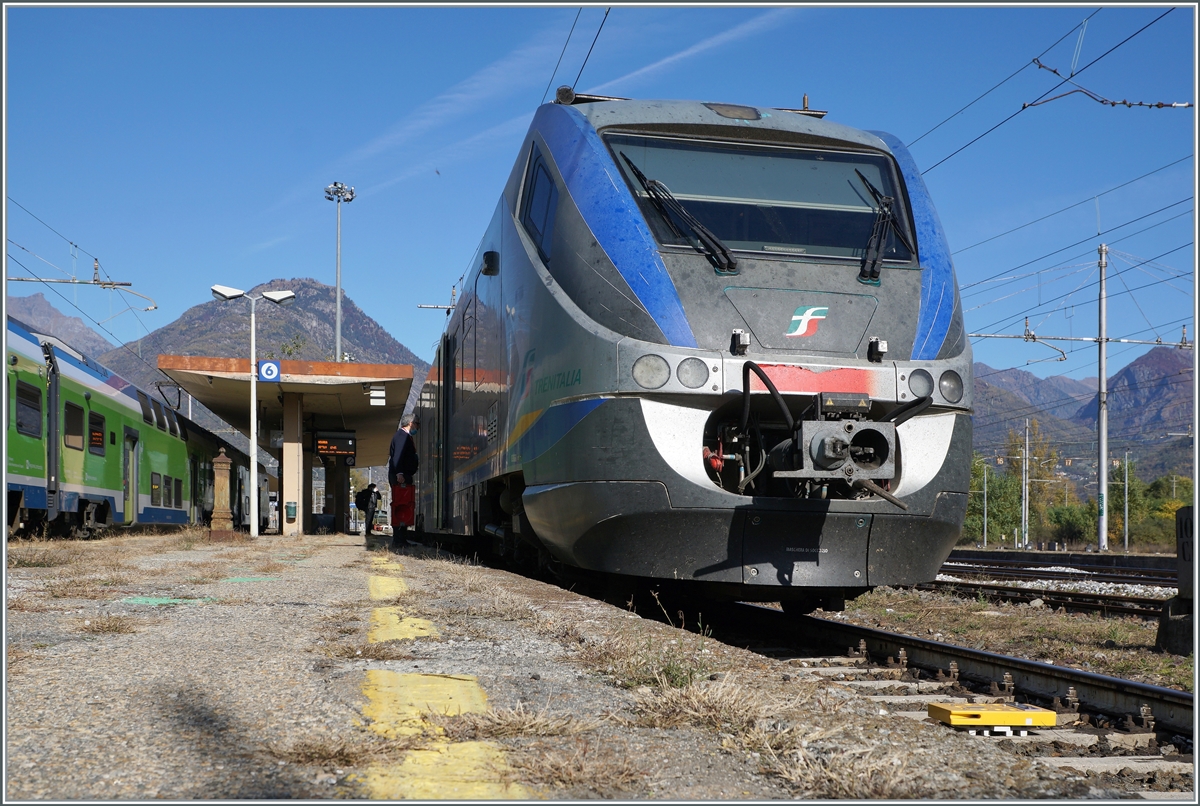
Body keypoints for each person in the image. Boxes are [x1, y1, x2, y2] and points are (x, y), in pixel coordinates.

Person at [387, 413, 419, 549]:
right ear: (411, 423)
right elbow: (398, 456)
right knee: (401, 506)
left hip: (402, 475)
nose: (418, 427)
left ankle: (401, 539)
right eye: (417, 424)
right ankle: (399, 540)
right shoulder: (402, 436)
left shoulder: (403, 436)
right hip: (401, 476)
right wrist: (400, 473)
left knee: (404, 505)